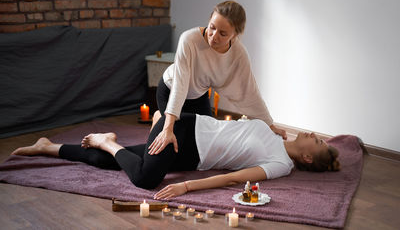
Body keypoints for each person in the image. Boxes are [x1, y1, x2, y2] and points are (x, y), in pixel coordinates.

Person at [12, 111, 340, 200]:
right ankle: (107, 139)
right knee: (144, 179)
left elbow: (234, 178)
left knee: (106, 162)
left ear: (309, 159)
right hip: (182, 129)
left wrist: (186, 187)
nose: (314, 135)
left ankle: (47, 147)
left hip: (191, 158)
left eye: (319, 143)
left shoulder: (281, 165)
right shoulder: (273, 130)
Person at [156, 0, 287, 156]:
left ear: (235, 35)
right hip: (170, 90)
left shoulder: (239, 53)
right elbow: (180, 86)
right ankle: (159, 120)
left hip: (198, 95)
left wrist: (270, 126)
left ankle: (159, 119)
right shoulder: (189, 39)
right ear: (209, 20)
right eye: (212, 27)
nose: (214, 37)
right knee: (173, 145)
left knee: (206, 145)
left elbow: (250, 93)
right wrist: (167, 127)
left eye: (223, 33)